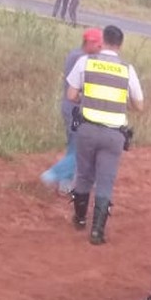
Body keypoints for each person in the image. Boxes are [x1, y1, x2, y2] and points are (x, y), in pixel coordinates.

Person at [65, 24, 144, 244]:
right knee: (105, 181)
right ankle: (97, 232)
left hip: (87, 129)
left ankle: (80, 219)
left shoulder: (85, 62)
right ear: (120, 45)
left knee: (84, 175)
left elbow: (71, 94)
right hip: (113, 135)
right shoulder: (127, 69)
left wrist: (88, 99)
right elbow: (139, 105)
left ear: (103, 41)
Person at [40, 28, 103, 195]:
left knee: (74, 146)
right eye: (98, 45)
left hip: (70, 107)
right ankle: (54, 174)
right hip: (76, 109)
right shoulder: (81, 59)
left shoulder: (76, 54)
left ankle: (65, 182)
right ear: (89, 43)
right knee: (81, 149)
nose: (100, 48)